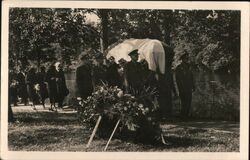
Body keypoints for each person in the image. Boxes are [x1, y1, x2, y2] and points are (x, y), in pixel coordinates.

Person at [175, 51, 195, 119]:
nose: (187, 60)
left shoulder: (189, 67)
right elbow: (178, 79)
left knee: (189, 102)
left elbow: (192, 77)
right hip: (182, 88)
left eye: (187, 58)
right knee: (183, 103)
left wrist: (193, 86)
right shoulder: (178, 68)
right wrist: (179, 88)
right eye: (186, 58)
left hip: (189, 88)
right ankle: (183, 116)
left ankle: (186, 115)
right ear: (182, 59)